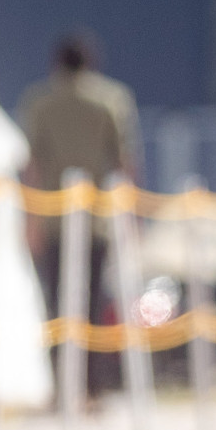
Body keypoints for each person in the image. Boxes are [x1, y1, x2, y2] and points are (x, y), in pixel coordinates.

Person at [19, 32, 141, 404]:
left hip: (54, 217)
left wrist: (31, 221)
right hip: (97, 218)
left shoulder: (40, 101)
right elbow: (125, 163)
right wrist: (131, 217)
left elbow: (32, 167)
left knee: (56, 305)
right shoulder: (111, 99)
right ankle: (92, 387)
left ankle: (61, 387)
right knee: (92, 305)